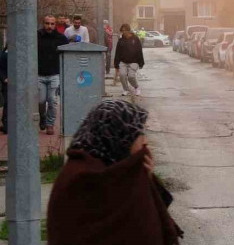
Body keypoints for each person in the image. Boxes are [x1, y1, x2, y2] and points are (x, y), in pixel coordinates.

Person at [47, 100, 183, 245]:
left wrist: (147, 179)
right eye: (139, 133)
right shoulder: (84, 183)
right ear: (119, 135)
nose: (145, 142)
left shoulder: (116, 173)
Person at [38, 15, 69, 135]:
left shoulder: (61, 38)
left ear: (55, 25)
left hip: (55, 74)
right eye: (47, 23)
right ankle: (42, 117)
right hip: (39, 74)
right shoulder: (37, 36)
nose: (49, 26)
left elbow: (67, 52)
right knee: (40, 101)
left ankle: (50, 125)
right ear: (43, 23)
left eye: (52, 24)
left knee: (52, 101)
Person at [114, 24, 144, 98]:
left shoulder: (135, 39)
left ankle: (136, 87)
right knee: (122, 75)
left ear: (129, 30)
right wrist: (116, 64)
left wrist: (141, 62)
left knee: (131, 76)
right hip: (123, 62)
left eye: (125, 30)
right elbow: (117, 53)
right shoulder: (121, 40)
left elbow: (139, 51)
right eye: (122, 31)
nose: (124, 32)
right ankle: (125, 89)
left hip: (134, 61)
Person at [0, 45, 8, 134]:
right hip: (9, 84)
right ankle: (6, 125)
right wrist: (4, 78)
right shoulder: (6, 54)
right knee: (9, 102)